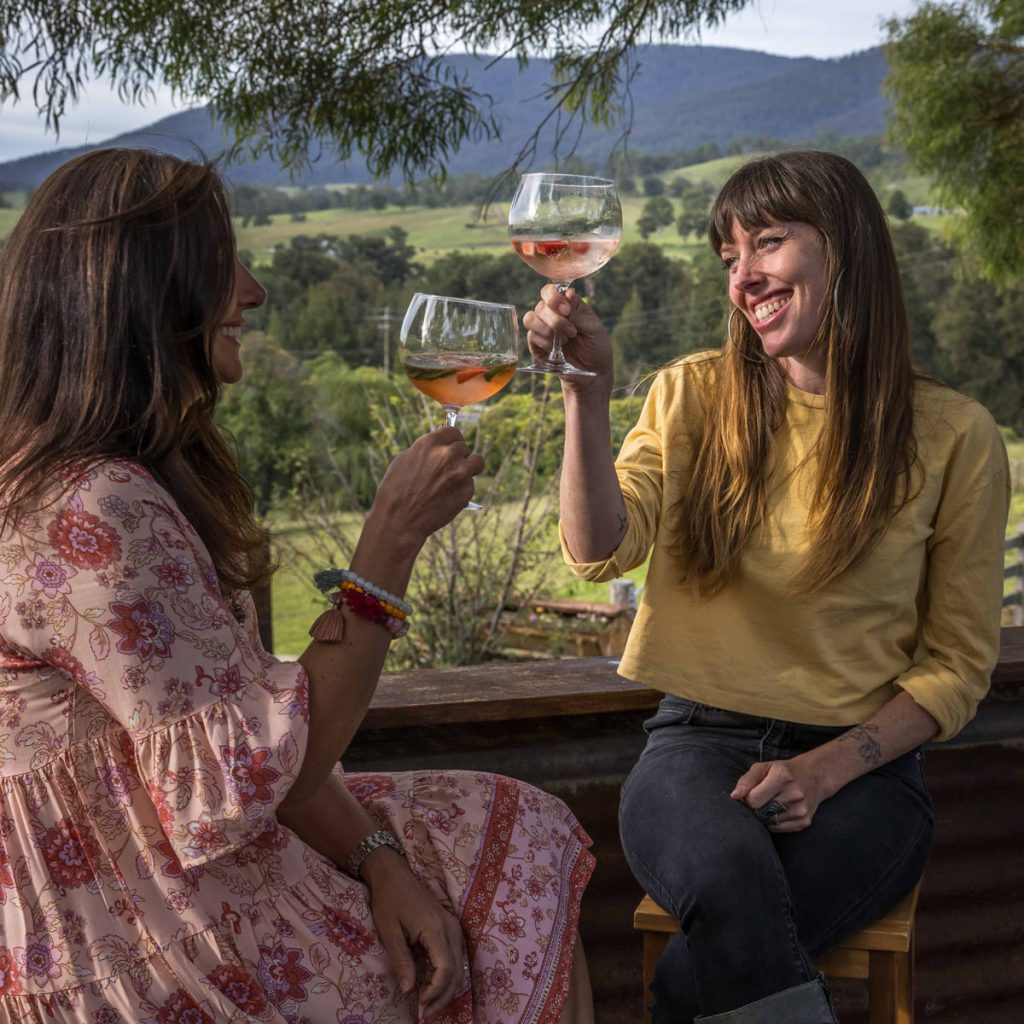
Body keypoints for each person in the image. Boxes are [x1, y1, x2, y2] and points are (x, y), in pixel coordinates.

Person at [0, 148, 595, 1024]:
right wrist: (388, 544)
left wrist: (379, 857)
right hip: (150, 940)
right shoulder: (94, 509)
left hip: (174, 861)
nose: (252, 290)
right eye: (222, 263)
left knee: (515, 822)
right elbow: (262, 766)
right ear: (145, 291)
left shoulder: (87, 471)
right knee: (509, 879)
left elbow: (239, 731)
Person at [524, 150, 1009, 1023]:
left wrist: (828, 769)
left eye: (770, 243)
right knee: (722, 879)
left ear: (847, 251)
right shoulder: (690, 395)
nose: (744, 277)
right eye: (728, 258)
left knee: (694, 975)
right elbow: (598, 551)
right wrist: (584, 398)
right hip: (696, 748)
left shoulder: (955, 435)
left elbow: (957, 666)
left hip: (866, 768)